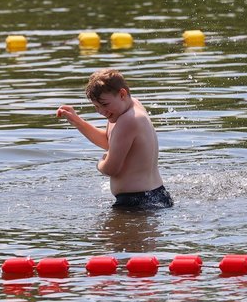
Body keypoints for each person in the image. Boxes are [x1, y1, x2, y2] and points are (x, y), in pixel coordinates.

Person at [56, 69, 173, 209]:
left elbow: (111, 169)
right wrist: (78, 122)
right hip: (152, 197)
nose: (101, 112)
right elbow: (109, 142)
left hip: (139, 202)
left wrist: (100, 162)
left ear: (122, 94)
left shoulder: (128, 120)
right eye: (96, 106)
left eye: (105, 105)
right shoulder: (128, 108)